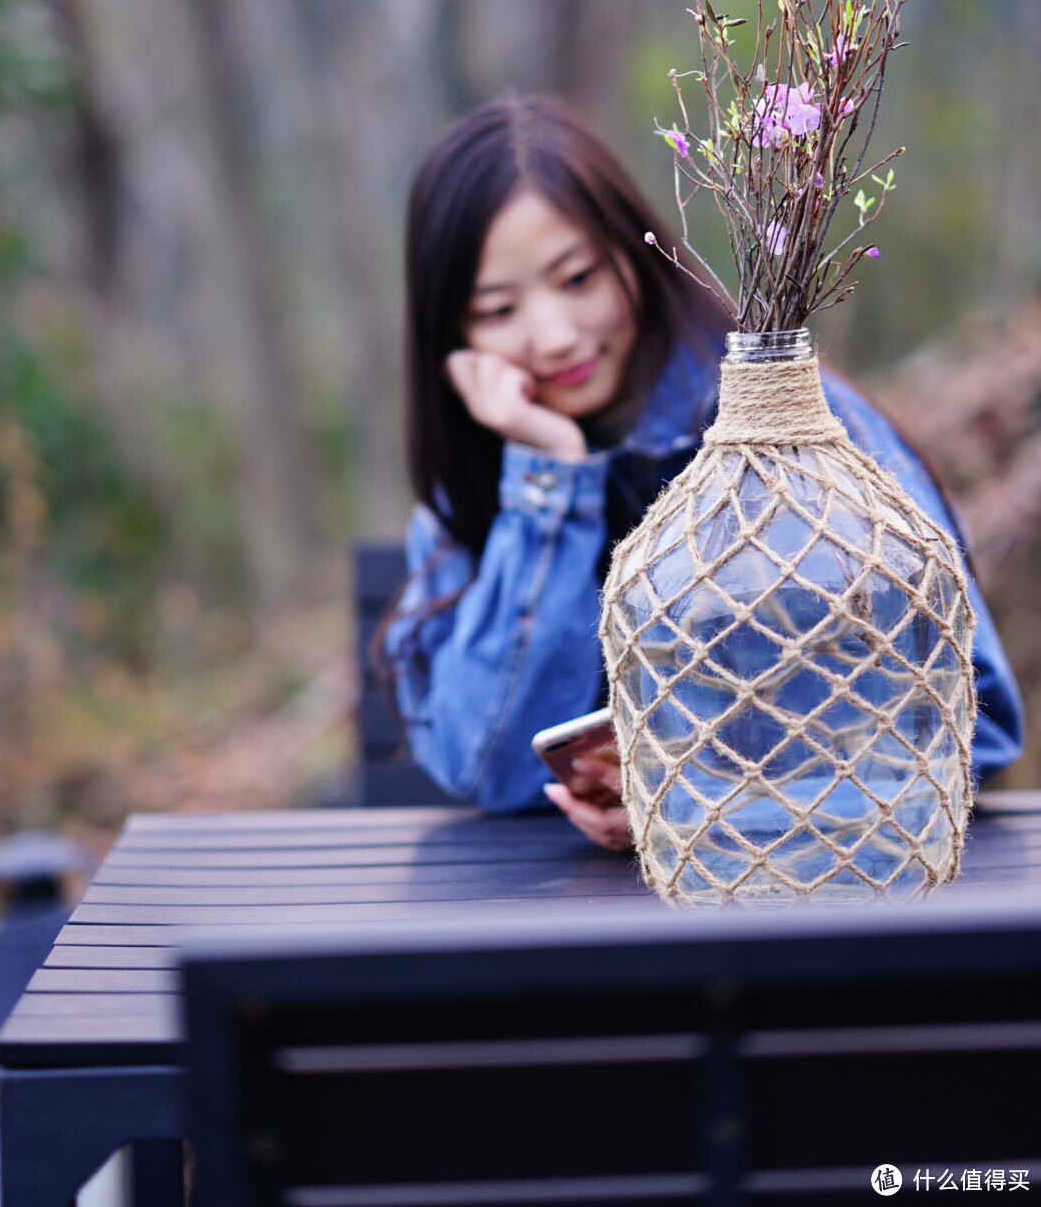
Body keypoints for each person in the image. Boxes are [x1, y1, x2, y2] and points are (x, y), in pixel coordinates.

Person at [384, 95, 1024, 849]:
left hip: (810, 900)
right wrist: (548, 487)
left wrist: (704, 798)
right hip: (555, 931)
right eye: (497, 311)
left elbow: (974, 724)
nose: (553, 338)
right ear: (451, 335)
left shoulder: (794, 428)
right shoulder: (494, 476)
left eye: (579, 277)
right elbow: (485, 769)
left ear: (634, 248)